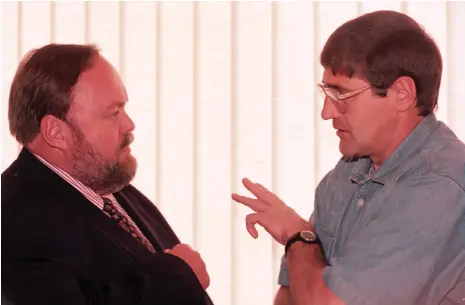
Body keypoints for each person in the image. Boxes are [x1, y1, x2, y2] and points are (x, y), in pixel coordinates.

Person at [232, 10, 465, 305]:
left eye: (341, 95)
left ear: (402, 94)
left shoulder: (440, 185)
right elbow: (293, 292)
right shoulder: (346, 173)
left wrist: (299, 235)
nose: (327, 113)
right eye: (326, 94)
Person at [2, 43, 214, 305]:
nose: (129, 124)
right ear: (56, 132)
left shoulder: (109, 185)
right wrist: (178, 277)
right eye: (113, 113)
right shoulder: (13, 219)